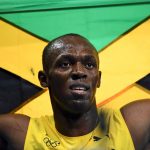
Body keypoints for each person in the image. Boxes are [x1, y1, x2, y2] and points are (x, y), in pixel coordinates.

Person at [0, 33, 149, 150]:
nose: (79, 71)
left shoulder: (134, 123)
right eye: (65, 64)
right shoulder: (21, 133)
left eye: (89, 65)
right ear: (44, 79)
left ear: (98, 79)